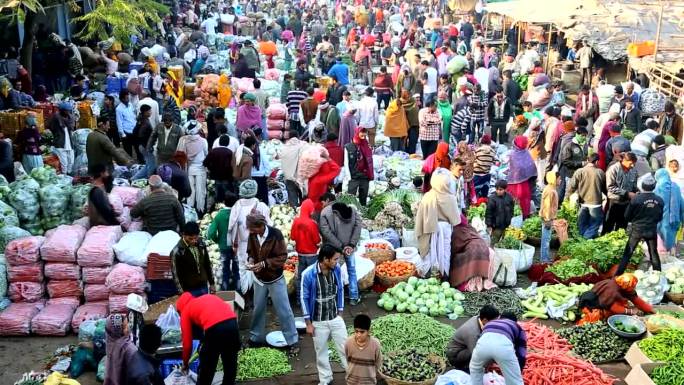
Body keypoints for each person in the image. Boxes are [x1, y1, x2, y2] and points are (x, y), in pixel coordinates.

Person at [245, 213, 300, 355]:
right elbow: (250, 251)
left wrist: (264, 264)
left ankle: (292, 340)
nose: (250, 231)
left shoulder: (275, 235)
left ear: (261, 226)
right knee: (258, 309)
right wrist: (251, 261)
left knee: (284, 309)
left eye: (252, 228)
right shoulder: (252, 235)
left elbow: (282, 257)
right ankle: (255, 337)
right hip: (259, 279)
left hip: (275, 278)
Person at [300, 244, 348, 385]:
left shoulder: (336, 269)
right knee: (321, 352)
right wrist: (308, 323)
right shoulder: (308, 274)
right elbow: (304, 298)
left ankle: (352, 376)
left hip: (335, 317)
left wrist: (340, 312)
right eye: (335, 259)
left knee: (345, 348)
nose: (337, 262)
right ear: (325, 259)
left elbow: (340, 290)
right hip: (318, 321)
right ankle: (326, 379)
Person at [175, 292, 240, 385]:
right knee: (230, 365)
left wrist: (185, 363)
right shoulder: (205, 298)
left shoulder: (185, 310)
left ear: (180, 309)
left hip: (215, 328)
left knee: (207, 367)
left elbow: (187, 345)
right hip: (233, 324)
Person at [228, 179, 271, 294]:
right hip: (259, 244)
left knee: (243, 269)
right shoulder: (261, 206)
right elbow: (270, 226)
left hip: (242, 245)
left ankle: (246, 295)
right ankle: (258, 294)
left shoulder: (236, 207)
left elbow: (231, 228)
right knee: (258, 267)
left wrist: (233, 244)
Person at [615, 174, 663, 275]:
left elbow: (627, 216)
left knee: (628, 253)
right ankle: (658, 275)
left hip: (637, 230)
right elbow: (660, 217)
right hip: (651, 230)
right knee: (653, 253)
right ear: (654, 186)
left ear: (642, 186)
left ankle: (617, 276)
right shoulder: (659, 200)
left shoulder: (636, 199)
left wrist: (634, 221)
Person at [320, 200, 362, 305]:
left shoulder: (325, 212)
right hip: (346, 248)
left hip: (334, 248)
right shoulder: (352, 211)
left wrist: (343, 246)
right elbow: (358, 227)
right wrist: (350, 245)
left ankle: (336, 297)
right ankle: (353, 296)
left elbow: (325, 232)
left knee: (333, 271)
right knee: (351, 270)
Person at [469, 313, 527, 385]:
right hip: (503, 347)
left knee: (475, 369)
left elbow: (482, 340)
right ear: (515, 322)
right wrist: (518, 370)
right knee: (515, 380)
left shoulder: (490, 323)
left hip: (482, 344)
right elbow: (521, 354)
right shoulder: (518, 327)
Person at [577, 273, 654, 324]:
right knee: (597, 317)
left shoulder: (624, 285)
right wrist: (631, 311)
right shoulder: (612, 291)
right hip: (592, 304)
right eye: (633, 286)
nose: (634, 287)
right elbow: (614, 308)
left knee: (623, 306)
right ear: (628, 286)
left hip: (605, 301)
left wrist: (650, 310)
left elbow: (636, 300)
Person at [446, 305, 500, 371]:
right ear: (485, 320)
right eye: (494, 322)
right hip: (456, 355)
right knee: (479, 353)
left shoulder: (478, 318)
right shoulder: (472, 332)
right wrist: (491, 365)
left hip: (466, 346)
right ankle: (465, 367)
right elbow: (477, 354)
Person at [568, 153, 606, 239]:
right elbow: (605, 189)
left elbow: (571, 187)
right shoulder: (600, 172)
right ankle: (586, 239)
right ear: (597, 162)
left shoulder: (579, 171)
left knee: (582, 223)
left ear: (588, 160)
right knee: (595, 223)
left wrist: (567, 198)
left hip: (583, 203)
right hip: (595, 203)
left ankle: (582, 240)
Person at [171, 222, 215, 296]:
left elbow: (207, 264)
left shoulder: (201, 244)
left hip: (203, 286)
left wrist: (212, 283)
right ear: (183, 235)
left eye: (195, 238)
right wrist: (181, 293)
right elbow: (176, 275)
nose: (193, 241)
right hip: (189, 290)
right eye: (190, 238)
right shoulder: (177, 252)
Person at [207, 193, 239, 291]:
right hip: (236, 247)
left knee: (225, 271)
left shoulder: (219, 216)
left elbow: (211, 233)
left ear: (224, 202)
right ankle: (240, 294)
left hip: (224, 247)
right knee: (237, 271)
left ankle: (226, 293)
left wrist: (218, 240)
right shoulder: (238, 214)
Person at [177, 121, 208, 214]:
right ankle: (200, 210)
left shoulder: (184, 141)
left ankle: (189, 210)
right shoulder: (203, 141)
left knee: (190, 190)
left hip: (189, 168)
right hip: (201, 168)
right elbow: (206, 154)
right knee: (200, 190)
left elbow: (181, 155)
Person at [292, 198, 321, 294]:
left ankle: (300, 299)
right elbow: (317, 240)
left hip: (300, 254)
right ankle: (311, 298)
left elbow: (292, 237)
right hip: (312, 254)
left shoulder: (296, 221)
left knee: (301, 277)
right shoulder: (312, 223)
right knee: (312, 277)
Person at [603, 152, 638, 234]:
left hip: (626, 203)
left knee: (622, 227)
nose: (632, 166)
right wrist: (627, 193)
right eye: (631, 163)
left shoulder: (633, 171)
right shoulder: (613, 169)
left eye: (634, 164)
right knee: (608, 225)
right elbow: (610, 187)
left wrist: (636, 192)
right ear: (624, 160)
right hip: (614, 202)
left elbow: (634, 186)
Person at [344, 314, 383, 385]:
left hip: (369, 382)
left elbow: (378, 362)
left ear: (368, 331)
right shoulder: (348, 342)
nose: (358, 335)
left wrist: (371, 374)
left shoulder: (375, 344)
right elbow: (347, 359)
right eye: (356, 331)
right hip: (351, 381)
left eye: (362, 332)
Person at [654, 168, 684, 256]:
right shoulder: (676, 187)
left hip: (661, 221)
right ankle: (671, 255)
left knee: (660, 241)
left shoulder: (657, 188)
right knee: (671, 239)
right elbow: (682, 204)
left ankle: (661, 260)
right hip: (674, 221)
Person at [507, 136, 537, 218]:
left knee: (515, 201)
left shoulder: (513, 155)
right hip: (525, 185)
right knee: (525, 201)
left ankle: (514, 217)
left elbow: (512, 169)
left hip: (515, 184)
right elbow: (532, 168)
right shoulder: (527, 154)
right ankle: (524, 216)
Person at [344, 127, 374, 206]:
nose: (363, 135)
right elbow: (346, 163)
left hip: (364, 177)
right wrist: (349, 178)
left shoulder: (367, 145)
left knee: (363, 200)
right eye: (362, 133)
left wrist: (370, 175)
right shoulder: (348, 147)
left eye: (365, 134)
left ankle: (363, 215)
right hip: (354, 177)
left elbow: (370, 162)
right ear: (357, 133)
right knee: (350, 200)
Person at [104, 314, 137, 385]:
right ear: (118, 331)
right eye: (125, 327)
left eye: (127, 323)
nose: (128, 327)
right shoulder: (128, 348)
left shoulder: (110, 340)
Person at [204, 135, 234, 204]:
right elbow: (232, 165)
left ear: (219, 142)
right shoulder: (229, 152)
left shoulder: (213, 151)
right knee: (226, 196)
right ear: (228, 143)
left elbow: (205, 162)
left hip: (214, 177)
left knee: (215, 196)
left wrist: (210, 169)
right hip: (226, 178)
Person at [48, 101, 76, 174]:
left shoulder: (70, 117)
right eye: (67, 110)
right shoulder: (56, 117)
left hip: (69, 143)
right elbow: (51, 126)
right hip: (60, 143)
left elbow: (72, 127)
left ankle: (69, 175)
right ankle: (65, 175)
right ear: (62, 110)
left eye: (69, 110)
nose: (68, 112)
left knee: (71, 161)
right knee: (64, 163)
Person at [486, 180, 515, 246]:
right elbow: (488, 213)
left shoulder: (509, 197)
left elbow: (511, 209)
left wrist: (510, 217)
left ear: (505, 189)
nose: (498, 191)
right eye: (497, 189)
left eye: (500, 190)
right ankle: (492, 254)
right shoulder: (492, 198)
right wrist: (489, 225)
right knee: (494, 242)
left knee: (505, 242)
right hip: (496, 226)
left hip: (506, 224)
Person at [281, 132, 306, 207]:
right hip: (301, 176)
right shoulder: (304, 145)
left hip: (289, 177)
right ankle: (303, 213)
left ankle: (294, 214)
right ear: (298, 137)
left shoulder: (285, 147)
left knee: (292, 198)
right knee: (303, 197)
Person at [539, 171, 559, 263]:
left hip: (548, 217)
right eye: (559, 178)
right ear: (554, 179)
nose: (560, 180)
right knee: (546, 240)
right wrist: (547, 220)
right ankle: (544, 259)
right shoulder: (550, 190)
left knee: (546, 239)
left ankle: (545, 258)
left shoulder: (550, 188)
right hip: (547, 218)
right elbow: (547, 206)